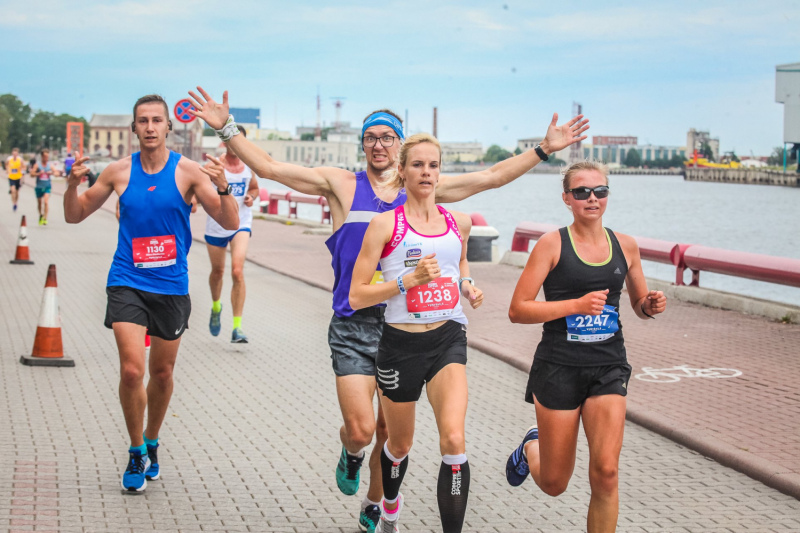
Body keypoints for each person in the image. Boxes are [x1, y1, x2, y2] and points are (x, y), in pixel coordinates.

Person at [188, 86, 588, 533]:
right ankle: (350, 451)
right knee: (361, 431)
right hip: (354, 323)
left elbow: (492, 176)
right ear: (363, 144)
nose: (378, 145)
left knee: (390, 433)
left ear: (399, 146)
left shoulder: (422, 185)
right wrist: (225, 128)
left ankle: (376, 505)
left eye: (387, 137)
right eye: (370, 137)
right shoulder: (341, 185)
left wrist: (543, 149)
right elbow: (271, 167)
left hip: (405, 327)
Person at [64, 94, 239, 492]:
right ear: (134, 128)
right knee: (131, 369)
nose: (149, 127)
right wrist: (71, 187)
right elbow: (74, 215)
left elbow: (227, 221)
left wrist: (223, 187)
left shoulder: (190, 172)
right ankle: (135, 448)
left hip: (171, 285)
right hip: (127, 280)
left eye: (156, 120)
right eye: (142, 120)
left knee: (161, 373)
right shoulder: (117, 172)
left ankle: (154, 438)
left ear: (167, 127)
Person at [505, 160, 667, 533]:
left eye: (600, 191)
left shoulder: (625, 246)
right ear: (567, 198)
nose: (592, 198)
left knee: (607, 472)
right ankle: (532, 447)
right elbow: (518, 310)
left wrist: (650, 305)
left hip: (608, 365)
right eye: (582, 192)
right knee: (554, 483)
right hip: (559, 366)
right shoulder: (551, 244)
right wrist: (575, 306)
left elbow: (639, 306)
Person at [350, 133, 483, 533]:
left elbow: (459, 262)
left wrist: (468, 285)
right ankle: (390, 503)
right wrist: (406, 282)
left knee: (454, 440)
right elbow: (357, 295)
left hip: (447, 339)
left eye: (434, 165)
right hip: (400, 345)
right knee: (400, 444)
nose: (426, 172)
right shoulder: (384, 224)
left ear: (441, 172)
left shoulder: (459, 222)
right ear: (402, 171)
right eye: (418, 165)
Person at [204, 126, 259, 343]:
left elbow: (253, 188)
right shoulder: (215, 166)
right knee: (218, 272)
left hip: (241, 223)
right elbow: (200, 189)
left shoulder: (249, 167)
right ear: (224, 142)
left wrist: (251, 198)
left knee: (237, 271)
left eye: (239, 140)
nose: (234, 144)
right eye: (230, 140)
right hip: (217, 224)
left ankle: (237, 327)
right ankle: (216, 306)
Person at [31, 149, 55, 225]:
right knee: (39, 203)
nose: (46, 158)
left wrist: (51, 173)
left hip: (47, 186)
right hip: (39, 187)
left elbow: (56, 172)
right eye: (45, 156)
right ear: (42, 156)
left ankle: (45, 218)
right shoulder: (37, 165)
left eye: (47, 156)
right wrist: (38, 173)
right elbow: (31, 174)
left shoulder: (50, 165)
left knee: (46, 202)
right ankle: (41, 215)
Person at [6, 147, 24, 211]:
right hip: (11, 177)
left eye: (16, 153)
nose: (15, 154)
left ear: (17, 153)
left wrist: (21, 170)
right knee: (13, 191)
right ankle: (14, 203)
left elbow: (23, 167)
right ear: (12, 153)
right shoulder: (9, 159)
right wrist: (7, 170)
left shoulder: (20, 159)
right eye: (14, 153)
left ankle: (16, 202)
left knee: (17, 192)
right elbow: (7, 165)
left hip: (18, 177)